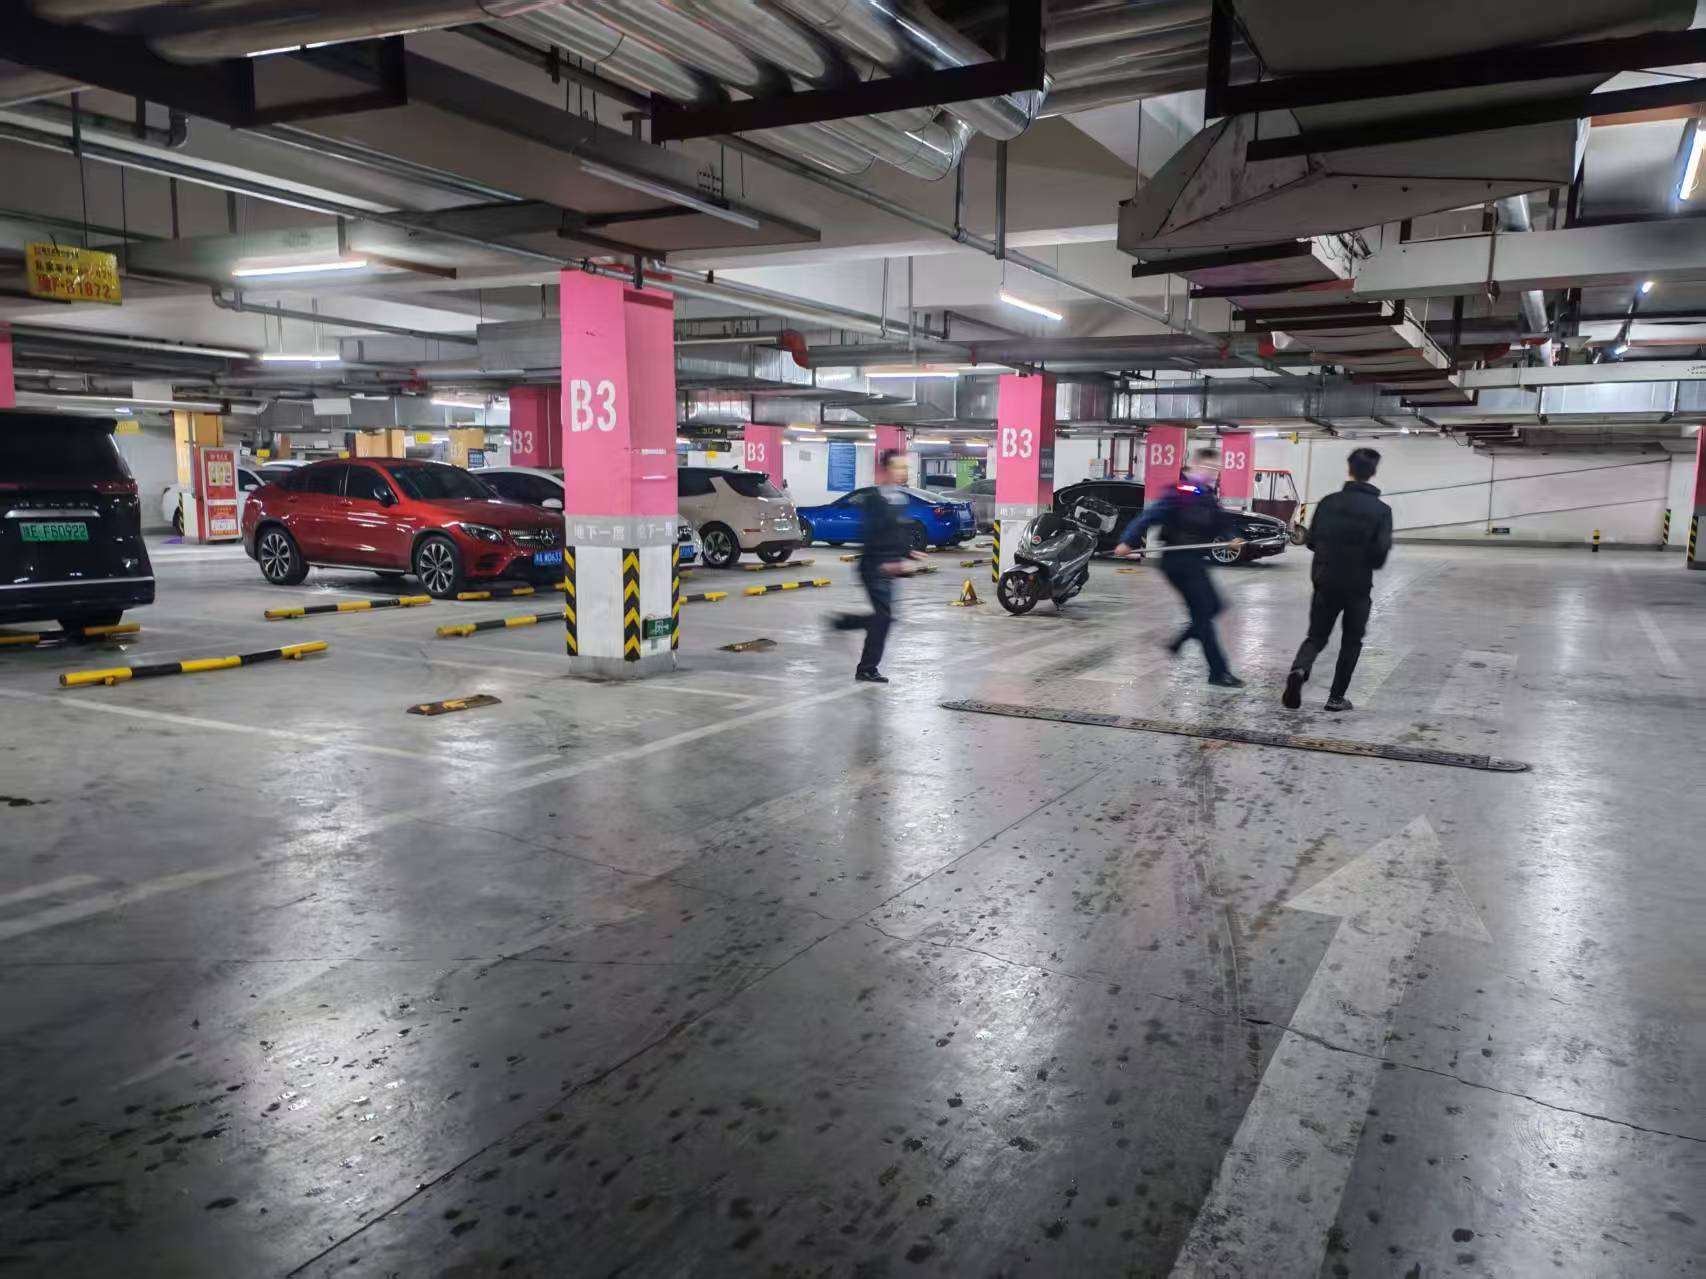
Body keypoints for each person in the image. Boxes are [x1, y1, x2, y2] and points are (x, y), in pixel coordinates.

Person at [1114, 448, 1245, 688]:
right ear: (1194, 466)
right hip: (1178, 562)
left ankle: (1179, 642)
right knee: (1203, 617)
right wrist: (1128, 541)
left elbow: (1221, 522)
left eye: (1216, 469)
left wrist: (1231, 537)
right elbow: (1149, 517)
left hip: (1195, 560)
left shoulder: (1207, 495)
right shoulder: (1180, 492)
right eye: (1208, 467)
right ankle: (1218, 672)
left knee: (1214, 607)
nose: (1213, 473)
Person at [1282, 447, 1394, 713]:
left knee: (1316, 636)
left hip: (1325, 579)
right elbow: (1379, 555)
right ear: (1373, 473)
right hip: (1358, 585)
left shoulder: (1328, 502)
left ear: (1348, 469)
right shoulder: (1381, 510)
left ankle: (1299, 670)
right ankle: (1336, 698)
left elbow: (1311, 541)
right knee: (1351, 641)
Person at [830, 449, 926, 683]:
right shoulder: (874, 499)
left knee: (884, 618)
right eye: (898, 467)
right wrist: (887, 563)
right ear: (885, 470)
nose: (903, 471)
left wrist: (908, 553)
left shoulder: (899, 498)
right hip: (874, 567)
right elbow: (871, 534)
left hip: (888, 566)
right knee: (884, 618)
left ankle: (847, 624)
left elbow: (895, 533)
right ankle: (866, 669)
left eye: (905, 467)